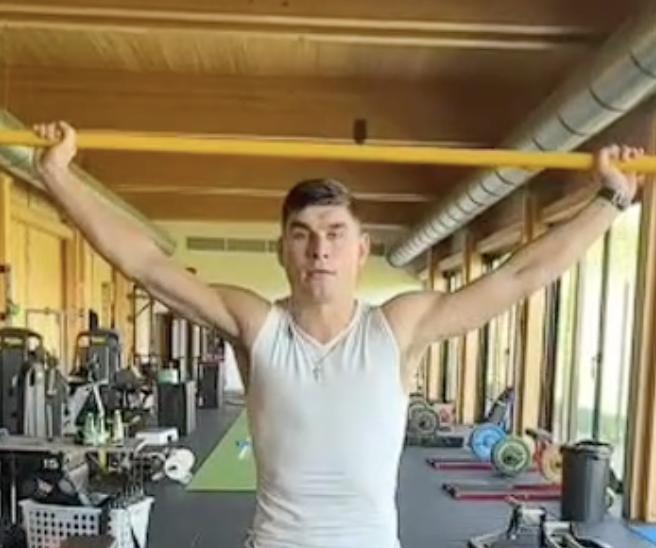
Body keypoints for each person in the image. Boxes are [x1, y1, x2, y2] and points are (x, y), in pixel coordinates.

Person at [31, 121, 643, 548]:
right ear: (282, 250)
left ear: (361, 250)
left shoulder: (399, 327)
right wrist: (59, 176)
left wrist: (611, 200)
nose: (319, 249)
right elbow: (146, 265)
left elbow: (518, 277)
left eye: (334, 233)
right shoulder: (257, 325)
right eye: (302, 235)